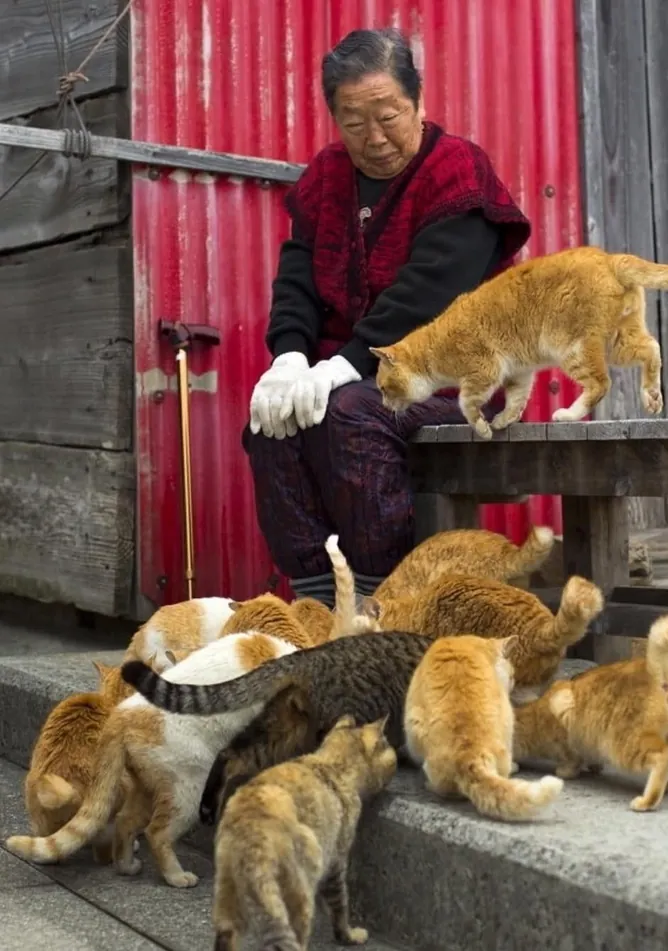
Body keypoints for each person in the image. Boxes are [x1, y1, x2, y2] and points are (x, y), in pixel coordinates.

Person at [244, 27, 531, 607]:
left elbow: (430, 296)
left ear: (418, 102)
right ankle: (318, 601)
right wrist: (291, 356)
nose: (374, 138)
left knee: (349, 415)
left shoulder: (457, 170)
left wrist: (342, 366)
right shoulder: (325, 178)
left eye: (389, 117)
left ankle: (385, 600)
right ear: (335, 119)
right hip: (355, 375)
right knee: (271, 421)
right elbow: (297, 278)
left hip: (453, 379)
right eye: (354, 123)